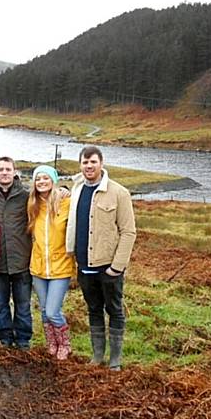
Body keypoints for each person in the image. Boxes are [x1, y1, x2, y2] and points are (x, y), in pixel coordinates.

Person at [67, 146, 136, 371]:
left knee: (114, 310)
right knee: (93, 309)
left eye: (93, 162)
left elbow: (128, 232)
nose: (89, 166)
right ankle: (97, 356)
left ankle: (115, 359)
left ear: (101, 163)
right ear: (80, 165)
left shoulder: (119, 193)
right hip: (84, 266)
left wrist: (117, 267)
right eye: (85, 162)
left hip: (108, 268)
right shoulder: (76, 189)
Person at [0, 157, 33, 349]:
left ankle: (23, 339)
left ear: (15, 172)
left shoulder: (26, 195)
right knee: (0, 304)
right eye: (1, 169)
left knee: (23, 304)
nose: (4, 173)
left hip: (22, 259)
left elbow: (49, 197)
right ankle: (4, 338)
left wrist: (64, 190)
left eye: (8, 169)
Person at [28, 165, 75, 359]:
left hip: (60, 266)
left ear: (53, 180)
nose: (41, 182)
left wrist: (66, 189)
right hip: (38, 266)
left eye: (45, 178)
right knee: (44, 311)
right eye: (38, 179)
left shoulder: (66, 203)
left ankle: (65, 344)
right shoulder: (32, 204)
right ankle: (52, 344)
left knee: (53, 310)